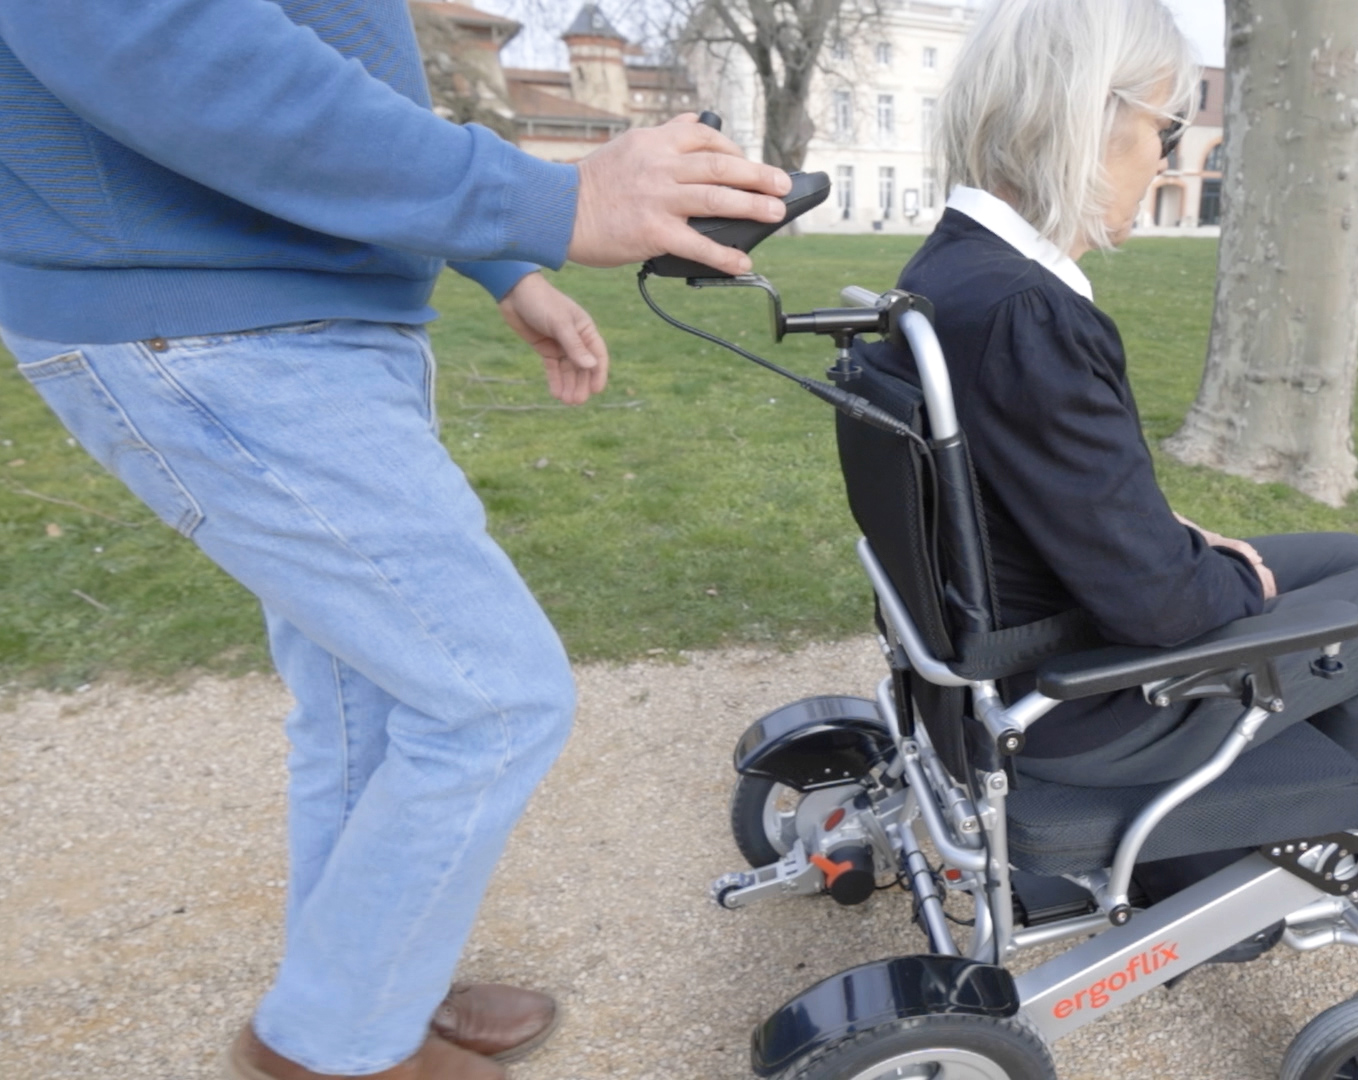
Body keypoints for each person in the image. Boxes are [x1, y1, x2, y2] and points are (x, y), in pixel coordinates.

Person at [0, 4, 791, 1079]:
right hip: (209, 321)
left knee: (365, 704)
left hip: (291, 320)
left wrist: (503, 260)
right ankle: (330, 1051)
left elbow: (339, 80)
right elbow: (162, 38)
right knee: (491, 696)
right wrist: (552, 200)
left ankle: (365, 987)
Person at [867, 0, 1358, 915]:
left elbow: (1033, 491)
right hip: (1076, 697)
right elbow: (1162, 603)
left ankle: (1229, 823)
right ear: (1088, 117)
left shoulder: (948, 272)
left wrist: (1181, 537)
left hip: (1020, 633)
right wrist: (1231, 577)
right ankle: (1334, 856)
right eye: (1163, 127)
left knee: (1352, 561)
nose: (1170, 157)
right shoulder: (1029, 314)